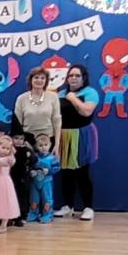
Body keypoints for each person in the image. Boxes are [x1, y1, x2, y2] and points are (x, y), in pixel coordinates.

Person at [55, 63, 101, 220]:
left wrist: (73, 98)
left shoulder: (90, 92)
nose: (73, 78)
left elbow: (86, 111)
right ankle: (68, 206)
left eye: (77, 75)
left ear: (83, 78)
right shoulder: (61, 93)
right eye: (70, 75)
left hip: (82, 135)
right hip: (64, 136)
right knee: (66, 173)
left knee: (82, 172)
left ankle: (88, 207)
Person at [12, 67, 60, 157]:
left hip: (48, 141)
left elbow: (57, 121)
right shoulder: (21, 98)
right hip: (28, 141)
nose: (39, 80)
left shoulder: (53, 97)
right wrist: (23, 143)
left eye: (42, 78)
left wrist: (57, 144)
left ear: (46, 81)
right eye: (36, 77)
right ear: (31, 80)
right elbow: (17, 124)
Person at [0, 134, 20, 232]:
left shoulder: (9, 159)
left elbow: (0, 162)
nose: (5, 150)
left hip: (3, 183)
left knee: (4, 202)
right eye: (3, 147)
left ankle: (3, 225)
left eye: (7, 148)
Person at [27, 133, 61, 224]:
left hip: (47, 182)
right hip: (34, 182)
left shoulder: (52, 157)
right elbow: (29, 166)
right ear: (36, 146)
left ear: (50, 145)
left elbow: (57, 168)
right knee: (33, 198)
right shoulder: (34, 157)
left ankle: (47, 215)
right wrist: (31, 171)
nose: (43, 147)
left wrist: (49, 171)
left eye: (46, 145)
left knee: (47, 198)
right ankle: (33, 213)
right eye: (41, 145)